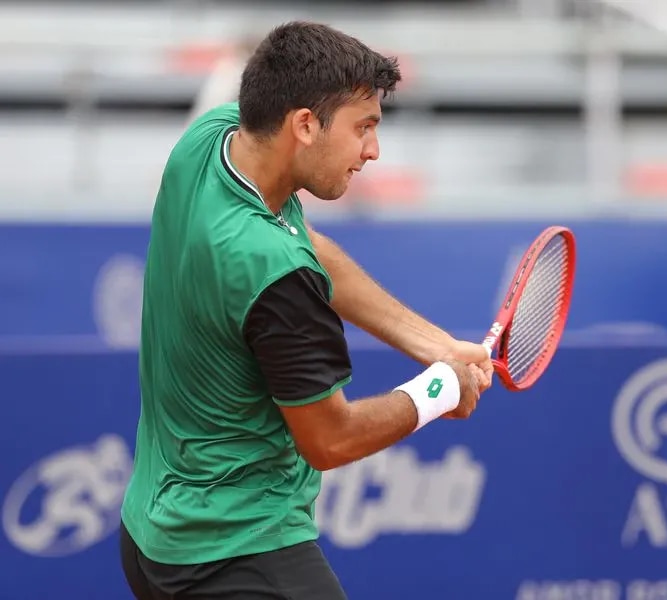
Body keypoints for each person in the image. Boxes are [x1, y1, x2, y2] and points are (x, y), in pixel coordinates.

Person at [118, 21, 493, 600]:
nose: (373, 151)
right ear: (305, 125)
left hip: (150, 536)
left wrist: (435, 345)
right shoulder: (278, 279)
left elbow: (306, 244)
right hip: (234, 554)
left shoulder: (210, 142)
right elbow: (330, 439)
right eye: (363, 127)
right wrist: (438, 391)